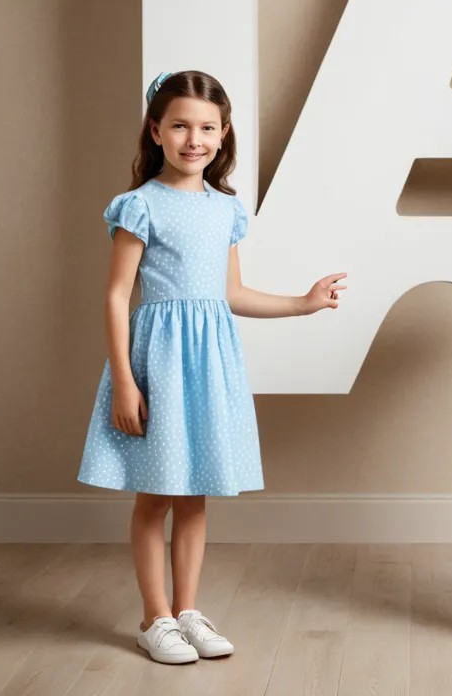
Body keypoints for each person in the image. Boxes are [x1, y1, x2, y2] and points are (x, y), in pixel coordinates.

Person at [78, 70, 347, 664]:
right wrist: (124, 380)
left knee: (195, 494)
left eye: (206, 127)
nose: (193, 139)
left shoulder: (224, 210)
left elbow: (231, 294)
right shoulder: (141, 205)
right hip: (158, 365)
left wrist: (303, 303)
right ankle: (154, 617)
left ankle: (187, 612)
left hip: (209, 368)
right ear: (156, 131)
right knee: (156, 496)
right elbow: (118, 295)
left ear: (223, 134)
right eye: (179, 126)